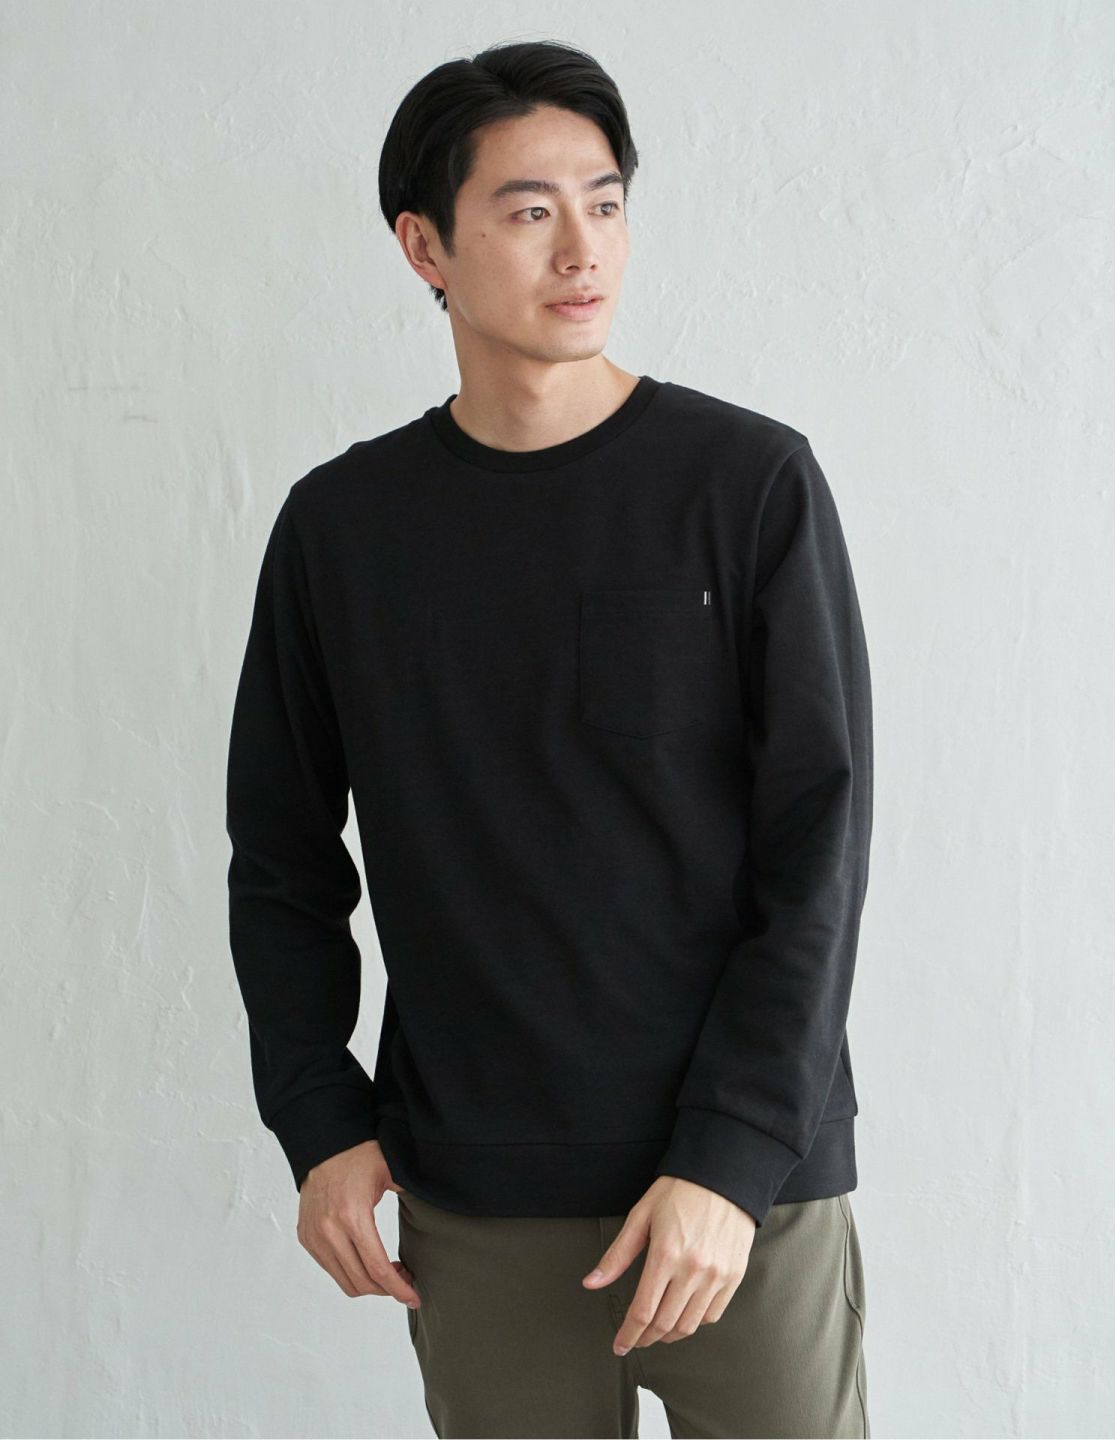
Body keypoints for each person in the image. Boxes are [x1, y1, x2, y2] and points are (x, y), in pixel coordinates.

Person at [225, 37, 873, 1440]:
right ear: (425, 246)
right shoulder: (343, 531)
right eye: (530, 211)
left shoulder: (747, 484)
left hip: (742, 1202)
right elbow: (279, 858)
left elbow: (817, 848)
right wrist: (320, 1118)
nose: (583, 250)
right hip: (478, 1196)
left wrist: (734, 1156)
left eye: (607, 203)